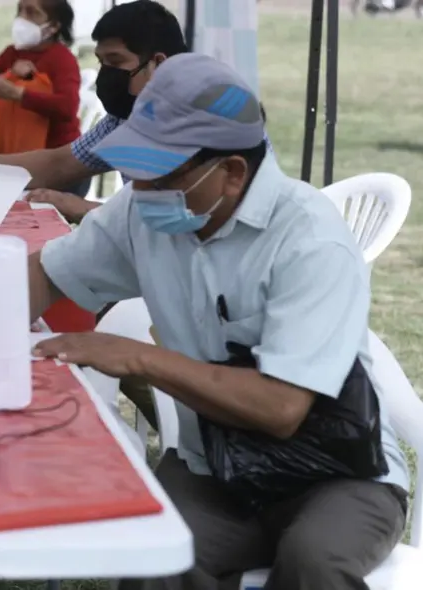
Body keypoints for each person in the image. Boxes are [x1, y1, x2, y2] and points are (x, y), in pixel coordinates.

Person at [29, 53, 408, 590]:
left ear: (231, 173)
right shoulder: (144, 211)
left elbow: (281, 408)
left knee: (314, 562)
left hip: (338, 474)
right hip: (214, 467)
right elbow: (46, 275)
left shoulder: (310, 239)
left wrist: (139, 358)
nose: (139, 190)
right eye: (135, 171)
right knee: (152, 554)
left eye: (160, 174)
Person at [0, 0, 188, 223]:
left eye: (116, 61)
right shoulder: (123, 119)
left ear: (157, 64)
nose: (106, 74)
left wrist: (83, 208)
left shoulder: (190, 125)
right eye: (102, 62)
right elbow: (58, 164)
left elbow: (177, 221)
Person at [0, 0, 80, 159]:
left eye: (32, 13)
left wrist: (18, 94)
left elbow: (67, 107)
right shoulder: (12, 54)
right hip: (14, 153)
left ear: (53, 26)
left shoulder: (62, 59)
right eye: (20, 10)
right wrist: (7, 76)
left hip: (55, 157)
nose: (21, 18)